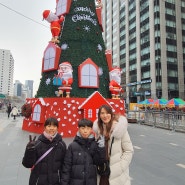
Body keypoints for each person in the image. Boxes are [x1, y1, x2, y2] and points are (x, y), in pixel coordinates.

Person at [93, 104, 134, 185]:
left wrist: (120, 167)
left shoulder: (120, 129)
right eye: (102, 113)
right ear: (99, 115)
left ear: (111, 114)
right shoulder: (98, 130)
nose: (105, 116)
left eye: (107, 113)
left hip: (117, 174)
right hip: (102, 172)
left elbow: (129, 151)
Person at [60, 118, 106, 185]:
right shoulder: (72, 146)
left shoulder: (95, 145)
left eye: (88, 128)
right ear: (79, 129)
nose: (85, 131)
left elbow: (99, 162)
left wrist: (101, 147)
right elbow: (66, 167)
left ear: (91, 130)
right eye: (83, 128)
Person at [22, 117, 66, 185]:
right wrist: (29, 151)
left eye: (54, 126)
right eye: (49, 126)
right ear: (45, 127)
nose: (51, 128)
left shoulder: (61, 144)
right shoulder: (37, 144)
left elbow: (65, 165)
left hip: (56, 181)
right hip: (39, 181)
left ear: (57, 128)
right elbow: (27, 164)